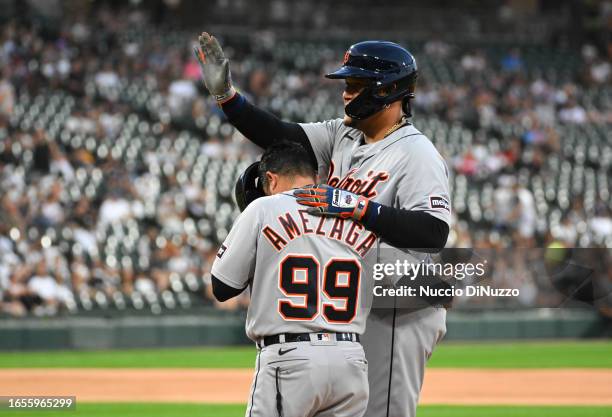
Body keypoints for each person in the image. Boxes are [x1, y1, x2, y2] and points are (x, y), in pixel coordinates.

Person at [197, 33, 451, 417]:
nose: (346, 94)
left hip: (399, 304)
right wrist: (229, 99)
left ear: (388, 91)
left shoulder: (416, 153)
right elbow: (280, 136)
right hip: (354, 306)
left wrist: (357, 206)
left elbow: (433, 232)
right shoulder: (343, 134)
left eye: (355, 85)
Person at [211, 141, 377, 417]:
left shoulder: (264, 207)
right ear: (315, 176)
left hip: (290, 358)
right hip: (351, 359)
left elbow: (222, 286)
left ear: (271, 179)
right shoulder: (353, 213)